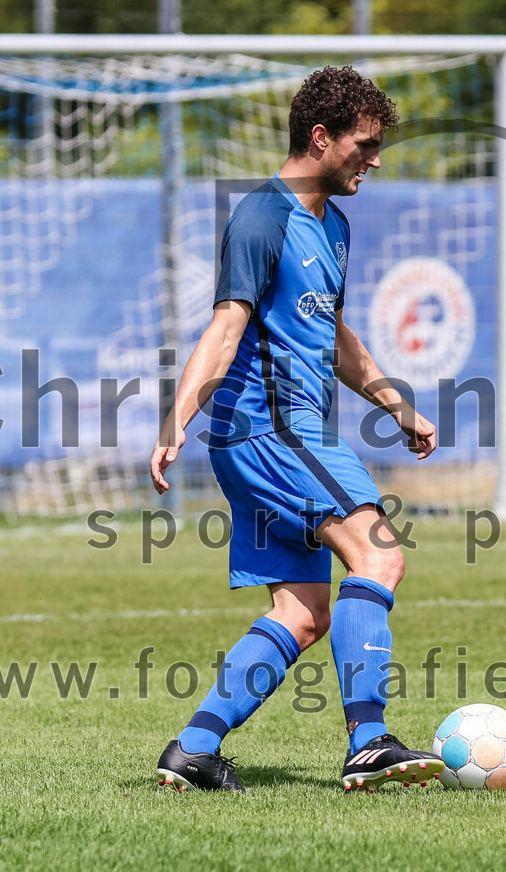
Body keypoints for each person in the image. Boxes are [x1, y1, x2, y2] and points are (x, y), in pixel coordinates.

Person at [149, 66, 444, 793]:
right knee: (379, 558)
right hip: (272, 431)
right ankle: (368, 740)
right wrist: (175, 419)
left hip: (272, 438)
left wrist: (395, 404)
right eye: (364, 145)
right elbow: (224, 331)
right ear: (321, 137)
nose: (374, 160)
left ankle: (193, 747)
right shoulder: (262, 217)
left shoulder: (332, 227)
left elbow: (334, 334)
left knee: (303, 611)